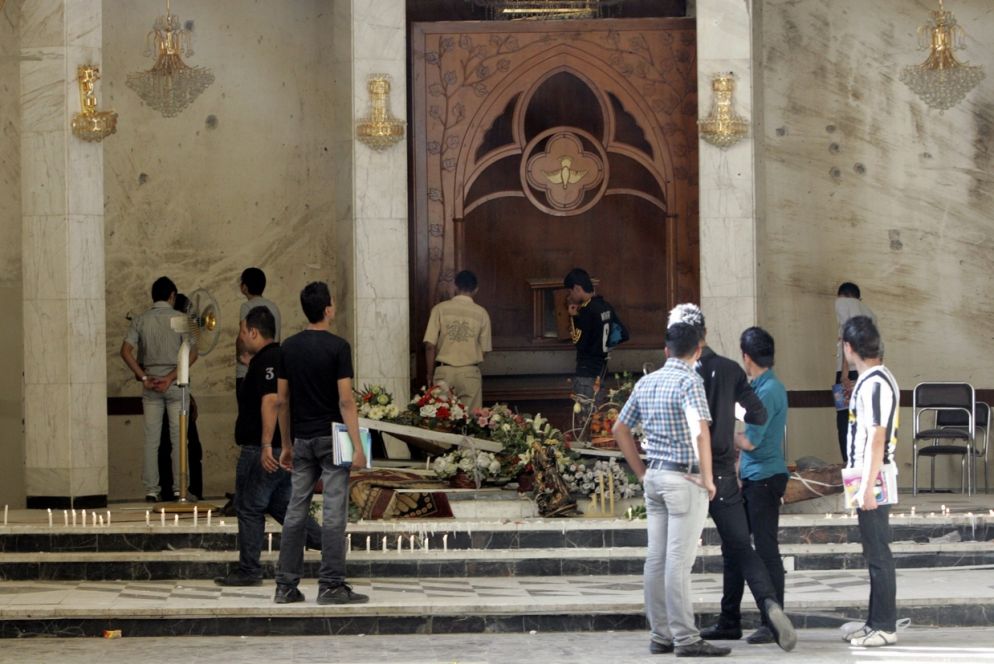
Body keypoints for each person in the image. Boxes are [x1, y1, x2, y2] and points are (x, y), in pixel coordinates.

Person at [668, 304, 796, 652]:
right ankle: (768, 606)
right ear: (704, 334)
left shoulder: (676, 374)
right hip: (725, 473)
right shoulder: (729, 370)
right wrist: (728, 418)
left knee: (672, 555)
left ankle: (671, 633)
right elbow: (757, 411)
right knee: (740, 547)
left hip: (689, 473)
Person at [613, 323, 728, 657]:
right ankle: (686, 637)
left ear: (666, 351)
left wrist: (641, 471)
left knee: (657, 558)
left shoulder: (647, 382)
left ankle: (660, 633)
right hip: (684, 479)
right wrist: (708, 478)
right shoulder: (690, 381)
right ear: (697, 352)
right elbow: (701, 432)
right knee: (678, 561)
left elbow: (620, 428)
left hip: (656, 478)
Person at [273, 281, 368, 605]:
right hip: (333, 439)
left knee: (295, 510)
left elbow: (281, 401)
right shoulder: (338, 347)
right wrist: (358, 446)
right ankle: (330, 585)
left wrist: (286, 443)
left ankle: (285, 586)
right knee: (333, 513)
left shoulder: (289, 347)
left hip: (301, 438)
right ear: (328, 309)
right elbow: (346, 402)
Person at [215, 306, 321, 587]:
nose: (240, 336)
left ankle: (249, 571)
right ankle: (331, 546)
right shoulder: (279, 357)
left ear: (252, 331)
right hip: (285, 447)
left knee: (248, 507)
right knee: (283, 506)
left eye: (241, 331)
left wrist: (265, 445)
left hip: (264, 450)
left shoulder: (268, 360)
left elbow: (272, 401)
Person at [721, 327, 790, 645]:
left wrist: (720, 436)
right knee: (734, 548)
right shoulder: (763, 386)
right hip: (752, 477)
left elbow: (749, 441)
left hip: (763, 479)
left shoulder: (767, 391)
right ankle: (729, 620)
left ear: (746, 358)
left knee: (765, 550)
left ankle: (773, 622)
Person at [840, 315, 899, 648]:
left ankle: (885, 625)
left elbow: (877, 436)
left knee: (879, 555)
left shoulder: (875, 382)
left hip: (873, 478)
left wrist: (866, 487)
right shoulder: (873, 378)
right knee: (873, 552)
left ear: (849, 348)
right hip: (866, 476)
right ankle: (874, 621)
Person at [120, 276, 197, 502]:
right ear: (172, 296)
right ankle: (179, 488)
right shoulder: (182, 318)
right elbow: (193, 353)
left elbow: (125, 351)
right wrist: (171, 376)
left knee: (151, 439)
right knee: (179, 438)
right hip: (176, 383)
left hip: (151, 383)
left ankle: (151, 490)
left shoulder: (141, 320)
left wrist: (143, 376)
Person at [423, 270, 492, 412]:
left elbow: (430, 346)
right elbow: (485, 349)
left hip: (444, 371)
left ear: (455, 286)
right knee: (471, 421)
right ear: (476, 289)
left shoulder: (439, 309)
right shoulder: (482, 313)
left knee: (442, 421)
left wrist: (430, 374)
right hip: (470, 372)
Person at [158, 292, 204, 501]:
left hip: (179, 390)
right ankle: (174, 489)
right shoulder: (169, 328)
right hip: (172, 391)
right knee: (174, 446)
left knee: (188, 447)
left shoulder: (181, 329)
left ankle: (186, 489)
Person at [564, 268, 618, 433]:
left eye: (570, 291)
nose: (570, 296)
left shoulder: (586, 311)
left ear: (577, 288)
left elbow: (578, 342)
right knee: (598, 419)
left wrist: (573, 317)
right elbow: (621, 333)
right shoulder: (606, 307)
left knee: (585, 422)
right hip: (602, 369)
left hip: (586, 372)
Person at [834, 282, 876, 463]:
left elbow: (848, 338)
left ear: (843, 295)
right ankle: (865, 465)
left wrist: (844, 372)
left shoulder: (844, 304)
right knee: (864, 419)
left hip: (849, 372)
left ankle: (850, 465)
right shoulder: (870, 313)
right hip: (867, 372)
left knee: (845, 420)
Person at [237, 267, 281, 392]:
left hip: (248, 370)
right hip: (271, 369)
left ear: (244, 287)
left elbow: (242, 337)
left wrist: (241, 358)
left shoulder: (247, 307)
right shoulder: (274, 307)